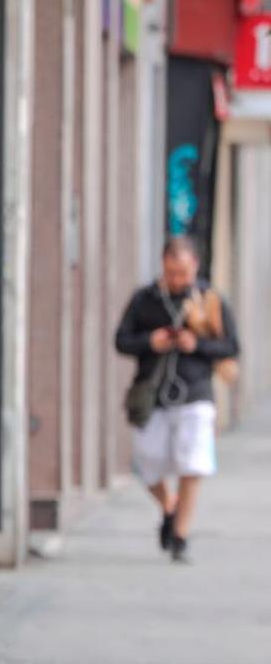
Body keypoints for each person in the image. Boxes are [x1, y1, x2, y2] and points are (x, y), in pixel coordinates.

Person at [114, 236, 239, 563]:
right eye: (171, 272)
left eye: (182, 272)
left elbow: (231, 347)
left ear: (195, 266)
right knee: (146, 462)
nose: (177, 280)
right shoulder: (145, 299)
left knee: (192, 463)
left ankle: (180, 536)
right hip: (153, 395)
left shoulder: (210, 301)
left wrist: (195, 345)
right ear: (162, 267)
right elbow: (121, 340)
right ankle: (170, 505)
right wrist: (149, 342)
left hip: (196, 393)